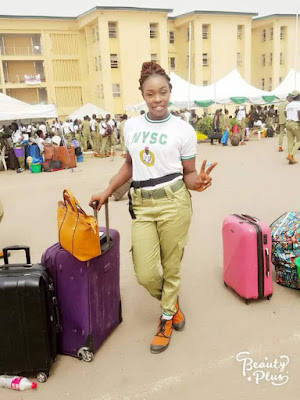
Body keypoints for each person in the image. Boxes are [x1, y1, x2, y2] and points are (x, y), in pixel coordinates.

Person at [89, 61, 217, 354]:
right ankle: (171, 304)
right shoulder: (131, 126)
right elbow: (130, 165)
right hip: (142, 206)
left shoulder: (183, 129)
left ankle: (166, 317)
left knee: (171, 267)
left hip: (174, 203)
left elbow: (189, 174)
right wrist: (107, 190)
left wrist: (199, 182)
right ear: (142, 96)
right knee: (145, 273)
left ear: (170, 92)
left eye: (162, 92)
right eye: (150, 94)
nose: (157, 98)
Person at [285, 90, 300, 164]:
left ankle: (291, 159)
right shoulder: (298, 104)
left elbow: (285, 114)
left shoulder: (288, 105)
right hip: (295, 124)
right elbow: (299, 114)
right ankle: (291, 155)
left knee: (290, 141)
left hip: (288, 123)